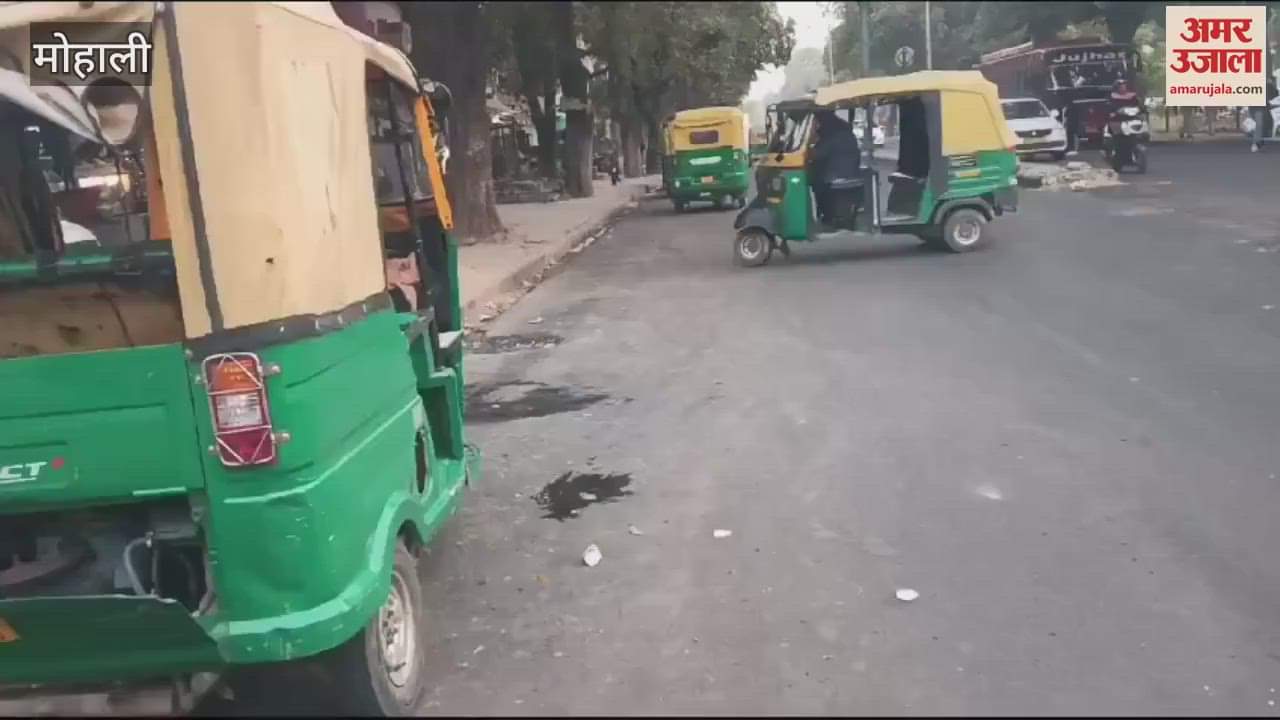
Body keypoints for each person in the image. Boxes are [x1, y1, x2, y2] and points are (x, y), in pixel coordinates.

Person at [808, 111, 860, 224]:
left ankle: (826, 214)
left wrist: (808, 140)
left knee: (816, 182)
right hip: (850, 172)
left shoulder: (832, 136)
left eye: (818, 123)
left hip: (836, 175)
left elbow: (815, 154)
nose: (817, 127)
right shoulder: (845, 133)